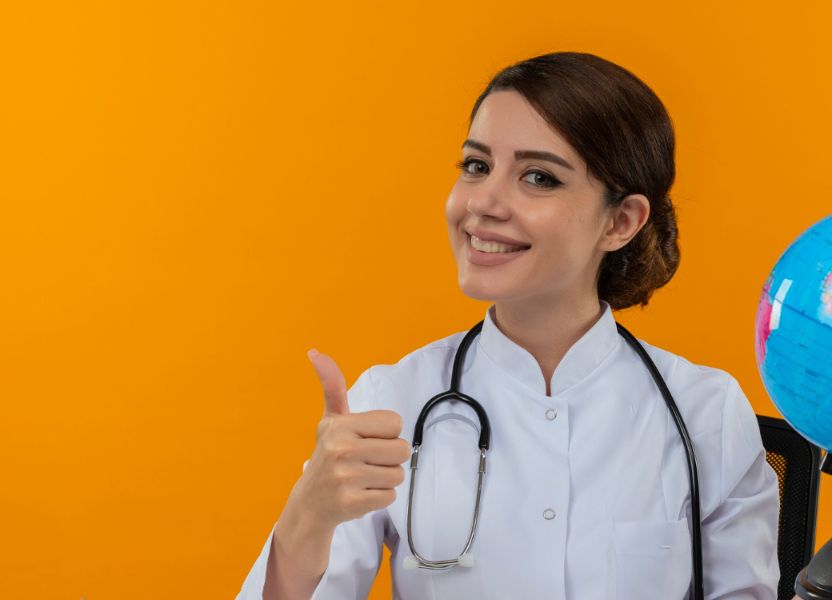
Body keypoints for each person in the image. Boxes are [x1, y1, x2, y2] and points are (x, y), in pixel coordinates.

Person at [237, 51, 782, 600]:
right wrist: (308, 515)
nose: (484, 202)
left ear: (620, 222)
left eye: (538, 177)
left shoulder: (704, 414)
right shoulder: (391, 400)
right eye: (476, 166)